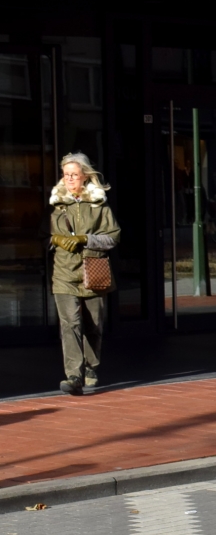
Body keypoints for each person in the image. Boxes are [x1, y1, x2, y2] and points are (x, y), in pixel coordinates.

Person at [49, 152, 120, 395]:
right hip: (64, 272)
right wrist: (55, 240)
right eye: (65, 174)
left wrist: (85, 239)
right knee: (70, 324)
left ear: (85, 176)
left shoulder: (99, 204)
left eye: (74, 175)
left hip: (93, 270)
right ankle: (73, 376)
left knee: (93, 325)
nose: (69, 179)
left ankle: (91, 366)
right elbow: (42, 233)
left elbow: (113, 237)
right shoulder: (56, 203)